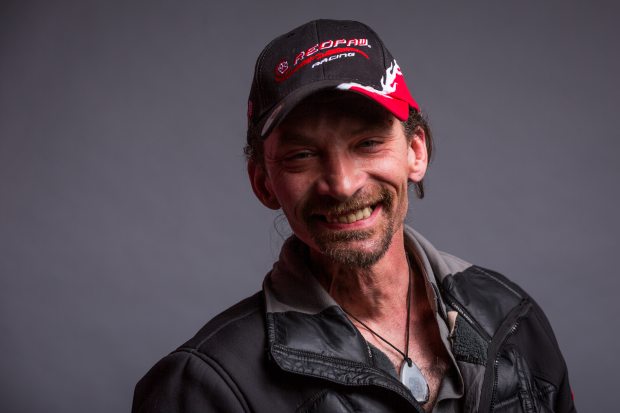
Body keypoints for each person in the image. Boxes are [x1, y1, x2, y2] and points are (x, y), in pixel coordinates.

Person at [132, 19, 576, 413]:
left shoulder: (510, 319)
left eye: (367, 143)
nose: (342, 183)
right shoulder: (205, 386)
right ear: (263, 183)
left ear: (415, 152)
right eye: (303, 155)